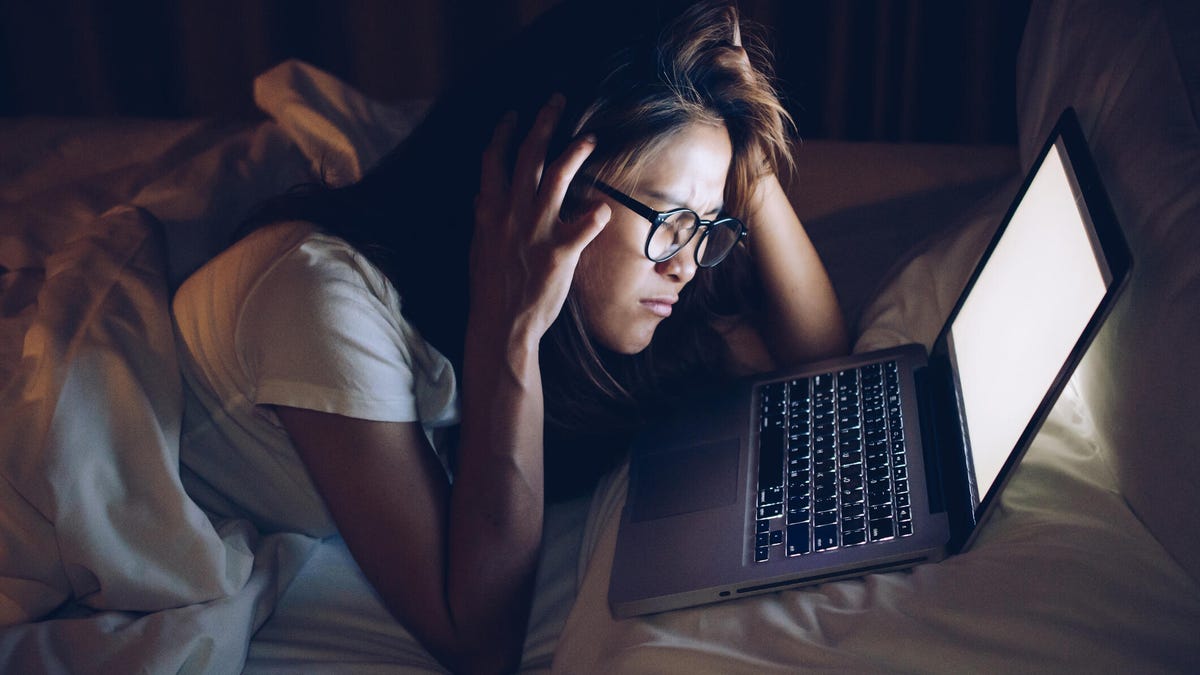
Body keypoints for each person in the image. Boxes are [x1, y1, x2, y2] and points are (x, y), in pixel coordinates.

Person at [171, 0, 847, 672]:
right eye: (669, 219)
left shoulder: (608, 308)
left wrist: (738, 136)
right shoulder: (320, 302)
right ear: (545, 186)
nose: (687, 262)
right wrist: (512, 326)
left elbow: (817, 361)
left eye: (709, 224)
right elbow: (479, 639)